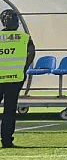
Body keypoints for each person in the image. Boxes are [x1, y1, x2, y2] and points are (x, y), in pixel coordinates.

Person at [0, 9, 35, 147]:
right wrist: (23, 69)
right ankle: (7, 139)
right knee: (9, 110)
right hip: (15, 79)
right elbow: (31, 54)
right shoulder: (24, 38)